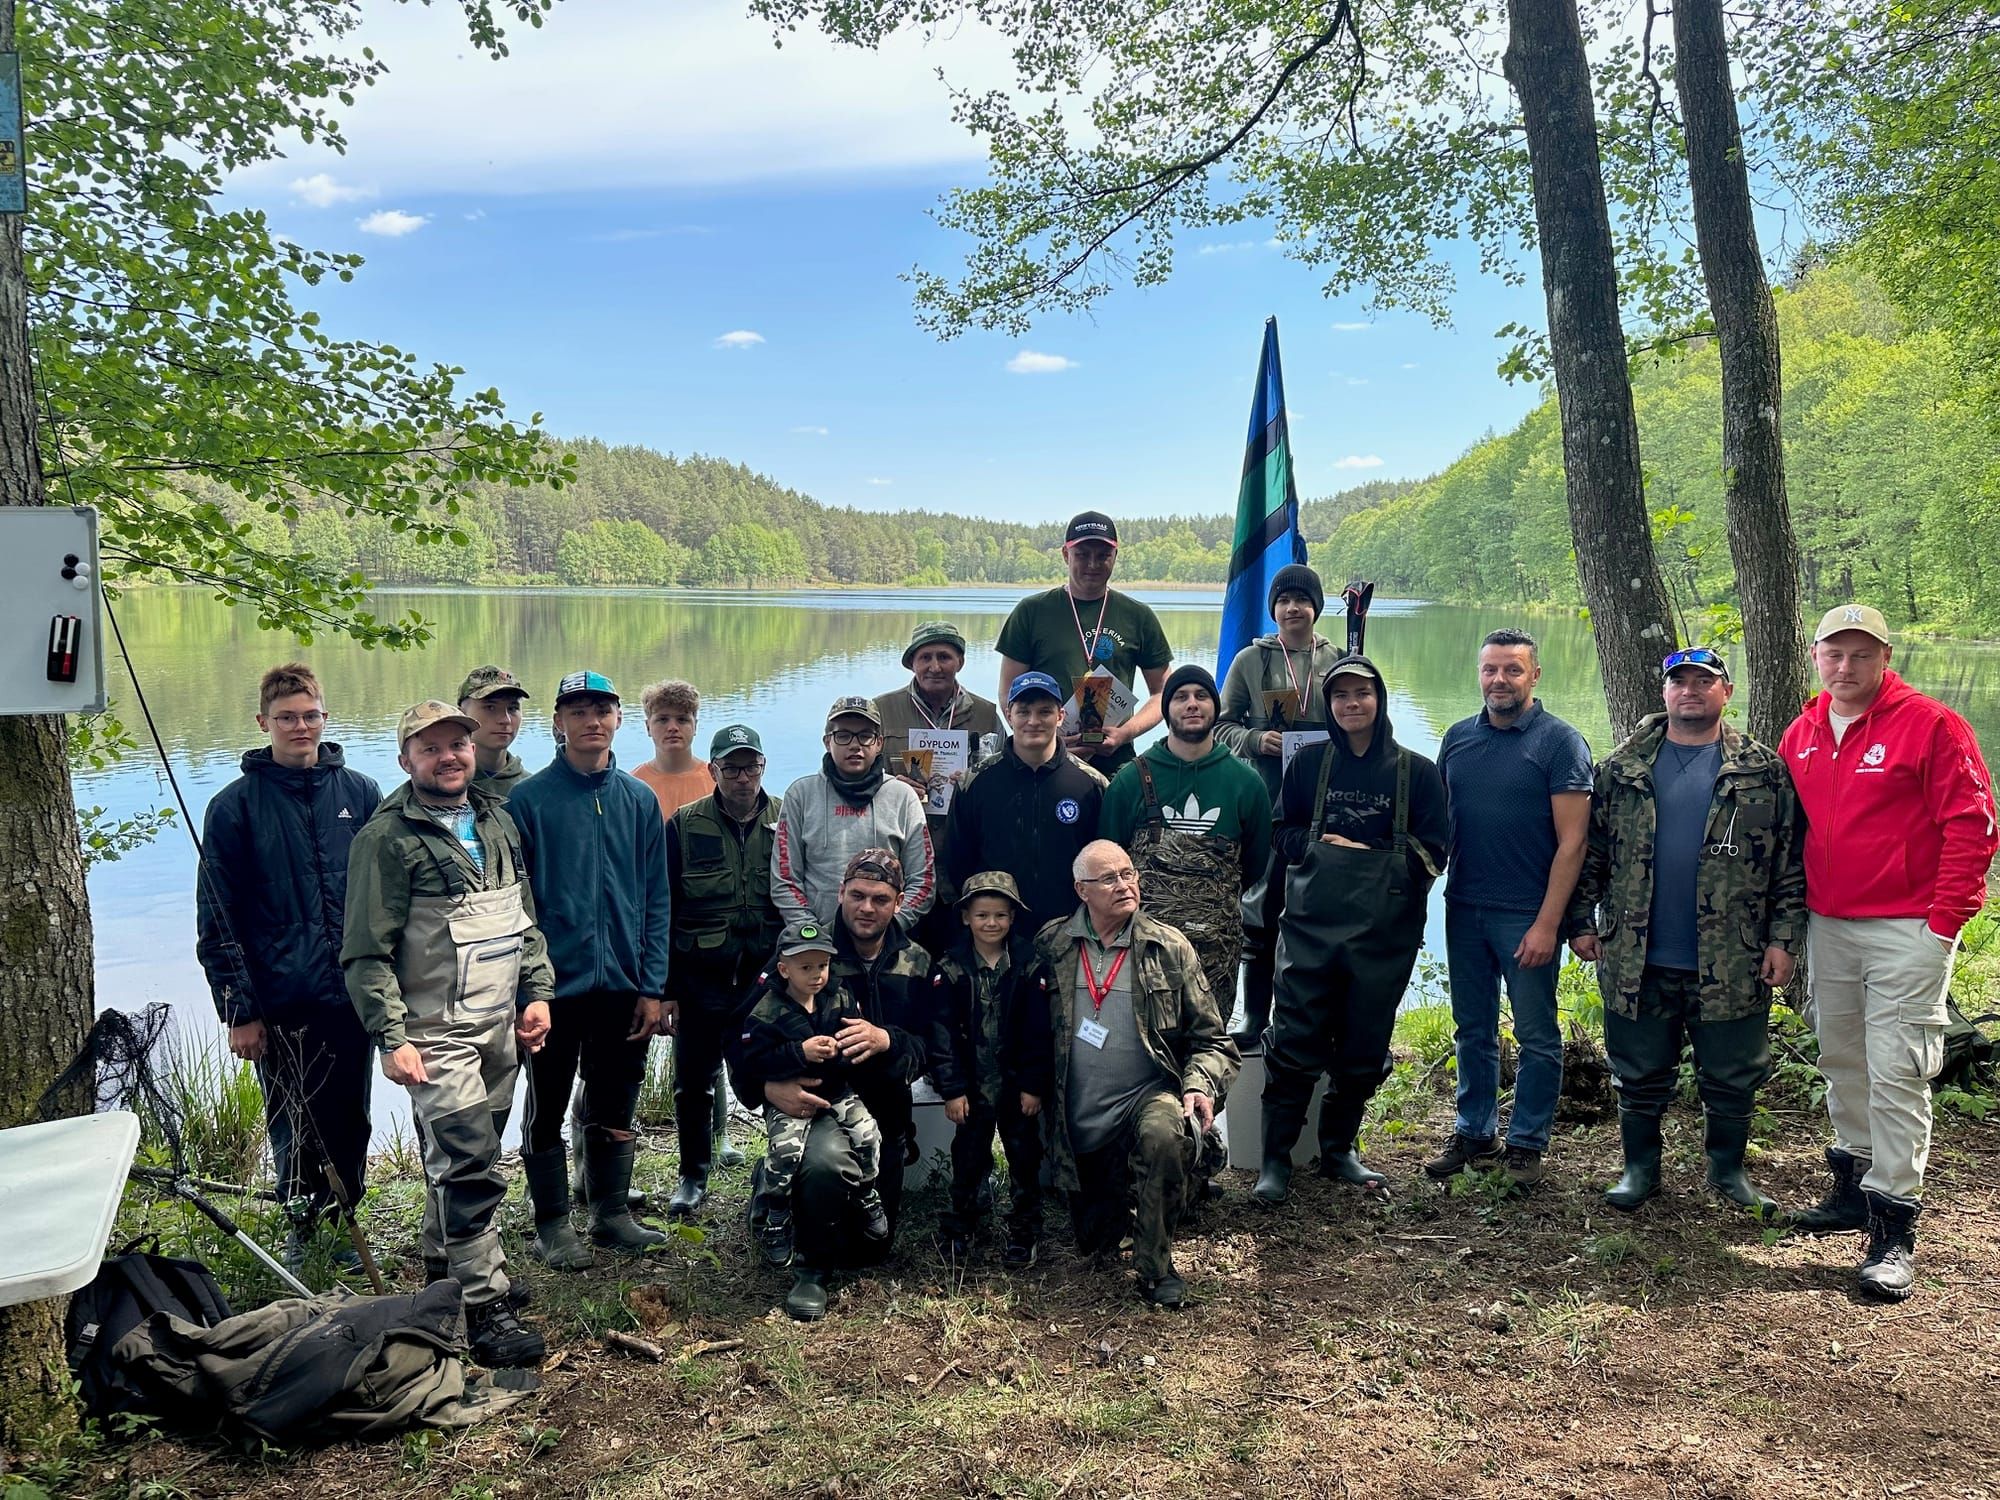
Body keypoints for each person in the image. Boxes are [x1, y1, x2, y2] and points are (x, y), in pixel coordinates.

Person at [1778, 605, 1998, 1300]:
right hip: (1829, 924)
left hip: (1908, 926)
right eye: (1833, 654)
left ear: (1884, 656)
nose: (1846, 668)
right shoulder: (1804, 730)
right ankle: (1851, 1185)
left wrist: (1943, 923)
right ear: (1816, 657)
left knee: (1897, 1068)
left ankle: (1894, 1225)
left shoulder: (1931, 724)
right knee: (1841, 1054)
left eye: (1860, 655)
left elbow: (1973, 824)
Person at [340, 699, 552, 1368]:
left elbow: (524, 918)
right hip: (434, 1033)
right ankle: (486, 1309)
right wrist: (389, 1036)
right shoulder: (385, 839)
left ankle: (443, 1270)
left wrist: (536, 993)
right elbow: (365, 953)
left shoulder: (495, 818)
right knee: (469, 1163)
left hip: (497, 1025)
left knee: (468, 1154)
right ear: (406, 760)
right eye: (429, 748)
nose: (448, 756)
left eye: (456, 743)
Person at [1567, 648, 1805, 1219]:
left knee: (1732, 1074)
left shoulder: (1762, 770)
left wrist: (1783, 940)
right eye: (1680, 682)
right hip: (1637, 954)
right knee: (1639, 1072)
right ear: (1665, 692)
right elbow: (1591, 852)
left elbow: (1790, 862)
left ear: (1726, 692)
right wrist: (1580, 920)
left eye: (1704, 682)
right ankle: (1640, 1169)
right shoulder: (1622, 768)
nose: (1690, 691)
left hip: (1734, 956)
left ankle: (1727, 1170)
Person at [196, 662, 381, 1272]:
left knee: (350, 1116)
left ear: (325, 717)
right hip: (280, 1000)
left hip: (352, 995)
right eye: (286, 718)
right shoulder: (234, 808)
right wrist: (239, 1010)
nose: (300, 727)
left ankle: (346, 1219)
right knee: (294, 1123)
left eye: (310, 715)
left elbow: (384, 898)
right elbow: (217, 919)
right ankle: (304, 1228)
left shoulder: (359, 793)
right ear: (263, 723)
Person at [1254, 655, 1449, 1204]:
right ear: (1330, 706)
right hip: (1310, 929)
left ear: (1379, 700)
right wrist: (1319, 847)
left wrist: (1375, 855)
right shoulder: (1309, 765)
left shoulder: (1417, 771)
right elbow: (1280, 832)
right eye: (1340, 696)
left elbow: (1435, 849)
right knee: (1293, 1042)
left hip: (1382, 935)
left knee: (1364, 1047)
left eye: (1362, 694)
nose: (1351, 704)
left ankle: (1339, 1148)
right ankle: (1275, 1161)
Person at [506, 670, 673, 1268]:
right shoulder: (527, 802)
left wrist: (653, 986)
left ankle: (610, 1211)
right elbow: (515, 908)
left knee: (615, 1099)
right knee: (546, 1105)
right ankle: (552, 1221)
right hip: (555, 987)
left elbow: (657, 898)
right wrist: (530, 987)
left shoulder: (638, 799)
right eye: (577, 711)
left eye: (602, 708)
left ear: (618, 719)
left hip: (623, 986)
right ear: (558, 722)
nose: (591, 720)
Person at [728, 850, 932, 1322]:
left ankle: (780, 1190)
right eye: (856, 895)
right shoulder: (804, 950)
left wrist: (888, 1039)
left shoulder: (917, 961)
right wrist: (763, 1087)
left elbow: (935, 1045)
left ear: (898, 902)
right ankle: (810, 1271)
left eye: (880, 899)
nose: (866, 907)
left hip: (882, 1111)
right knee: (824, 1164)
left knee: (869, 1251)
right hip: (816, 1103)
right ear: (840, 893)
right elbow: (738, 1035)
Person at [1039, 840, 1241, 1308]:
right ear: (1081, 890)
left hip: (1144, 1099)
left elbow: (1214, 1041)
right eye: (1108, 878)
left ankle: (1155, 1269)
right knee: (1094, 1241)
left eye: (1129, 874)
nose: (1124, 885)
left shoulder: (1168, 947)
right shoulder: (1051, 944)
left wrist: (1198, 1084)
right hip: (1078, 1119)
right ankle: (1132, 1196)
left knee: (1163, 1131)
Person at [1427, 628, 1593, 1190]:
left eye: (1512, 670)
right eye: (1491, 669)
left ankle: (1526, 1142)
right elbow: (1442, 823)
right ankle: (1474, 1131)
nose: (1500, 680)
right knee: (1471, 1029)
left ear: (1534, 675)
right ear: (1479, 674)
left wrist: (1550, 923)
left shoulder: (1559, 743)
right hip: (1465, 906)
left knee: (1537, 1034)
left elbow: (1573, 843)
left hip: (1526, 913)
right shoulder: (1457, 738)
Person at [1100, 663, 1272, 1021]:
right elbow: (1108, 859)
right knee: (1143, 1041)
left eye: (1202, 696)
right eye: (1180, 697)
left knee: (1208, 1048)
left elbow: (1254, 865)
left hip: (1217, 947)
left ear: (1215, 707)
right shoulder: (1131, 779)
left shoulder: (1246, 782)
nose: (1192, 704)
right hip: (1144, 947)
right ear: (1167, 711)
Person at [1217, 563, 1342, 1043]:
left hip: (1325, 805)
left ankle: (1310, 1015)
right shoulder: (1251, 661)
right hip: (1267, 805)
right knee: (1261, 909)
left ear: (1315, 607)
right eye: (1284, 601)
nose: (1294, 608)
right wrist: (1254, 739)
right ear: (1274, 609)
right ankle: (1253, 1015)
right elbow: (1221, 726)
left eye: (1303, 600)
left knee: (1317, 911)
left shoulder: (1339, 659)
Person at [662, 724, 784, 1216]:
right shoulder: (683, 825)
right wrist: (665, 989)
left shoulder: (787, 819)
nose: (741, 777)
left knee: (779, 1069)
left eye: (749, 766)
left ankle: (782, 1162)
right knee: (693, 1080)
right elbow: (663, 909)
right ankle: (693, 1173)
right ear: (712, 770)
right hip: (700, 975)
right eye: (730, 767)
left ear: (762, 767)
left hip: (767, 976)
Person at [739, 920, 890, 1268]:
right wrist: (798, 1053)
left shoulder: (840, 996)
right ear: (783, 969)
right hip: (790, 1096)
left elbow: (856, 1041)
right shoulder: (767, 1009)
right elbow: (754, 1060)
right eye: (805, 967)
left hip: (839, 1091)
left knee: (868, 1136)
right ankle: (776, 1213)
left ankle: (867, 1191)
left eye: (822, 965)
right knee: (785, 1154)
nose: (816, 975)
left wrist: (844, 1050)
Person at [928, 871, 1054, 1268]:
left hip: (1016, 1086)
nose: (991, 923)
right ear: (966, 917)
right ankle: (960, 1226)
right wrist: (951, 1089)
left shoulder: (1031, 964)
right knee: (968, 1157)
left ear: (1013, 918)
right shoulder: (949, 967)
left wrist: (1034, 1085)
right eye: (982, 914)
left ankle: (1025, 1229)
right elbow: (941, 1034)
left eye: (1001, 915)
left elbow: (1040, 1032)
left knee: (1024, 1156)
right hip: (971, 1088)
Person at [995, 511, 1173, 777]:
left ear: (1115, 557)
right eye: (1082, 555)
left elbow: (1163, 693)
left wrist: (1125, 733)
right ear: (1066, 555)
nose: (1093, 563)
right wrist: (1043, 736)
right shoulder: (1031, 611)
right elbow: (1008, 692)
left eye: (1103, 555)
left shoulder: (1138, 615)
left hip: (1116, 765)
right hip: (1044, 765)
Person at [941, 670, 1108, 938]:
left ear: (1060, 716)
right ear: (1009, 716)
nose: (1033, 721)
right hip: (996, 934)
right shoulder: (975, 782)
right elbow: (956, 861)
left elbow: (1105, 862)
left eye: (1044, 712)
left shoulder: (1091, 785)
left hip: (1070, 933)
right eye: (1023, 712)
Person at [772, 696, 936, 931]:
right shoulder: (801, 795)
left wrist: (891, 929)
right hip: (818, 939)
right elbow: (785, 879)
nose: (854, 745)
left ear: (879, 742)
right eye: (843, 735)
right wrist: (809, 931)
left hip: (886, 938)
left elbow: (923, 881)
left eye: (865, 736)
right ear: (828, 741)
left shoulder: (903, 797)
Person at [632, 678, 716, 819]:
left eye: (682, 720)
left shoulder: (717, 780)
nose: (672, 728)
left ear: (695, 725)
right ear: (648, 727)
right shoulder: (632, 785)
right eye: (663, 719)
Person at [456, 665, 531, 799]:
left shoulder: (534, 789)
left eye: (513, 708)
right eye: (490, 707)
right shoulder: (443, 785)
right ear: (462, 714)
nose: (505, 719)